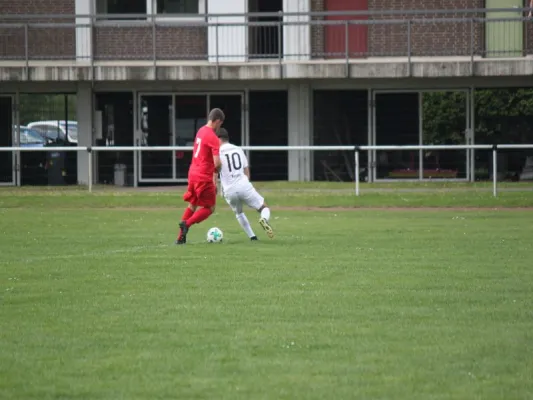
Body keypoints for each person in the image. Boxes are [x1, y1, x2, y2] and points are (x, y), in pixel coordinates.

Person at [176, 108, 225, 245]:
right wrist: (219, 170)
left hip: (192, 173)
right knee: (210, 208)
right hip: (203, 176)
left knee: (192, 205)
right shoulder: (213, 138)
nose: (219, 127)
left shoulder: (201, 131)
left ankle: (180, 238)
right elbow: (217, 162)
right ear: (217, 121)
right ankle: (187, 224)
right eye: (220, 124)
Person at [217, 128, 274, 241]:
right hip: (243, 184)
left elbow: (216, 168)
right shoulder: (238, 149)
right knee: (263, 207)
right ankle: (264, 219)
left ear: (218, 139)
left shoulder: (218, 152)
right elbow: (246, 171)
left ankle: (252, 236)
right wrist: (245, 184)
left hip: (229, 189)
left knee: (238, 212)